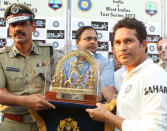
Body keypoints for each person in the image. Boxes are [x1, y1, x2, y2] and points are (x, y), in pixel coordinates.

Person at [86, 17, 167, 131]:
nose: (122, 48)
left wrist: (108, 117)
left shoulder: (154, 75)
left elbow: (155, 128)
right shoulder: (131, 75)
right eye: (118, 42)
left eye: (128, 41)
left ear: (143, 45)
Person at [0, 3, 55, 131]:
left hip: (47, 122)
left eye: (23, 24)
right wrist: (26, 101)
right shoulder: (2, 57)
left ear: (33, 27)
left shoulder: (50, 53)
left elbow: (63, 85)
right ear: (9, 31)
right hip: (13, 124)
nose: (18, 29)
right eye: (13, 25)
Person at [63, 26, 117, 101]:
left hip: (93, 108)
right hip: (68, 105)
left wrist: (114, 101)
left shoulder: (104, 63)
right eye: (88, 39)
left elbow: (108, 88)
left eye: (95, 39)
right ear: (77, 42)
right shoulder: (67, 62)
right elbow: (60, 90)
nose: (93, 42)